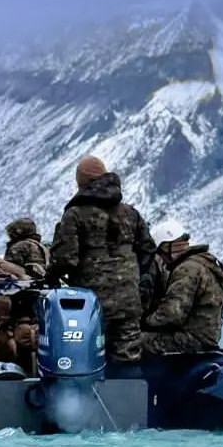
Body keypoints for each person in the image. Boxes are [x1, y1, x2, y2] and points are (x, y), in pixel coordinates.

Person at [49, 154, 156, 365]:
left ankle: (87, 398)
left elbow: (65, 259)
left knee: (87, 359)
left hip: (90, 305)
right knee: (128, 360)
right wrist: (138, 283)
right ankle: (128, 397)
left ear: (81, 181)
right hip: (129, 301)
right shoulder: (130, 213)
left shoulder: (75, 214)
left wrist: (50, 277)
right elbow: (148, 250)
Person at [140, 222, 223, 355]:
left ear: (168, 248)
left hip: (189, 341)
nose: (163, 261)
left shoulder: (187, 269)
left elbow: (172, 314)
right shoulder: (207, 262)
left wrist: (144, 323)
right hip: (208, 338)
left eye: (161, 254)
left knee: (129, 341)